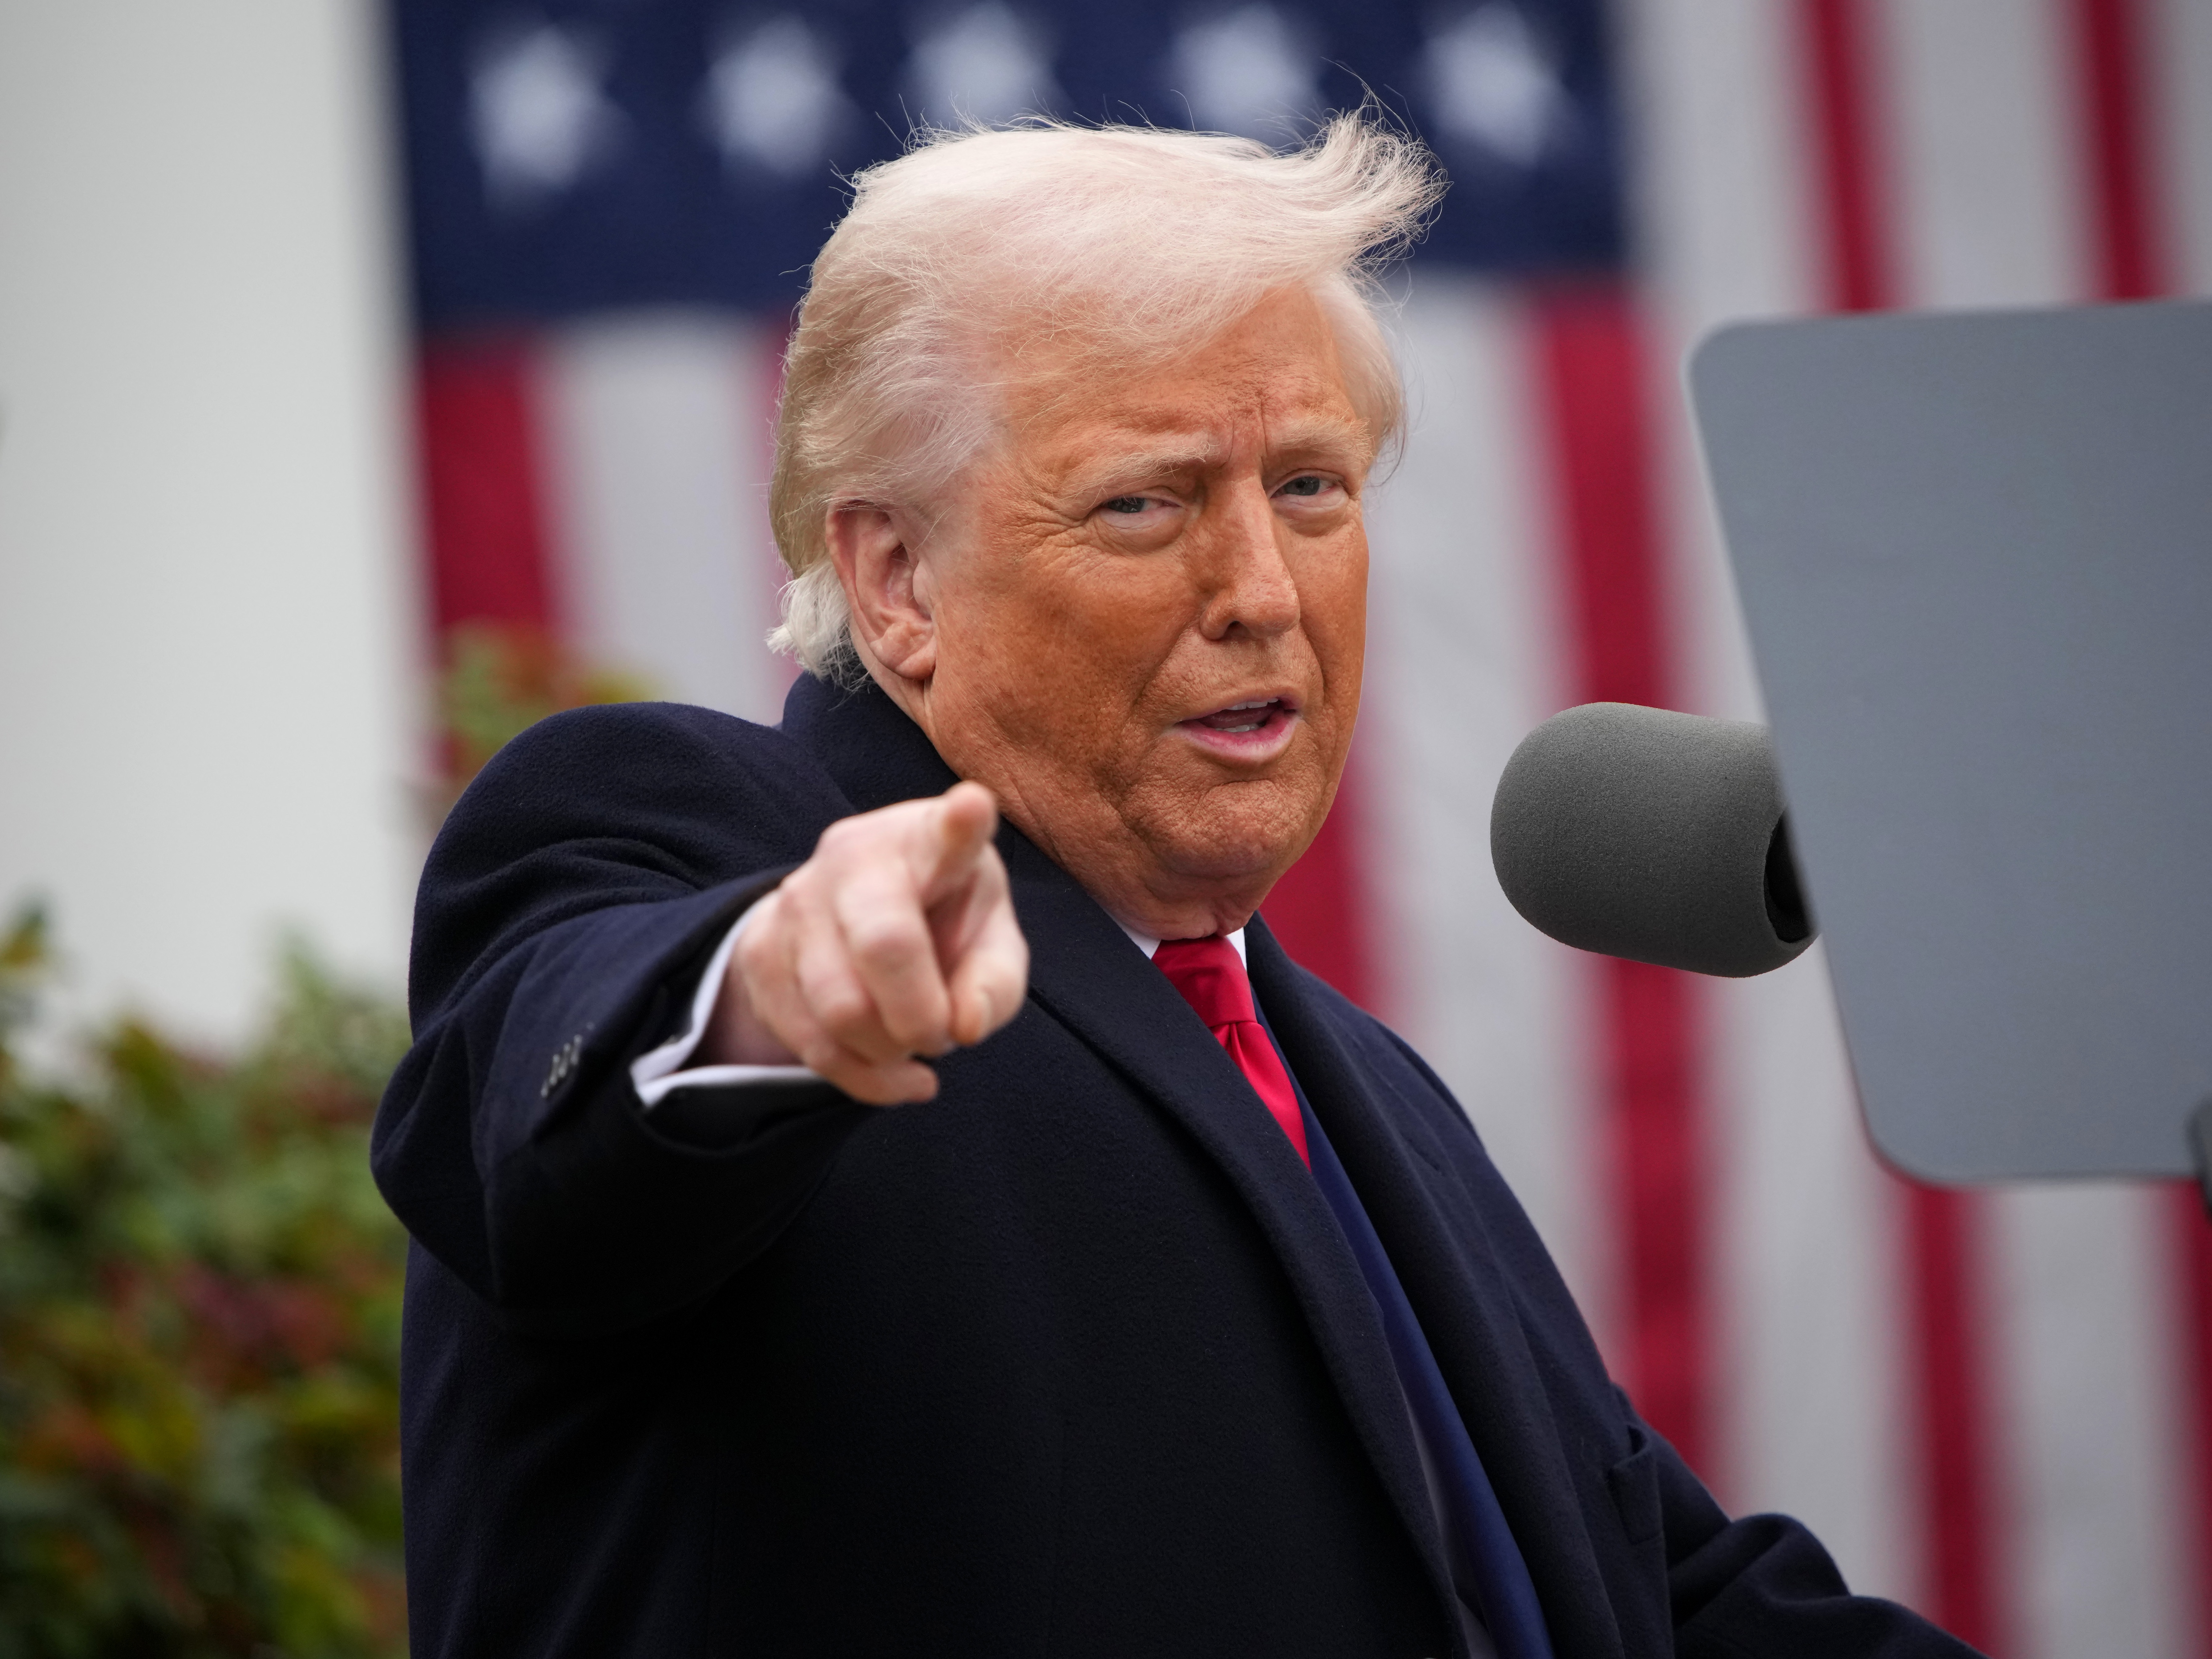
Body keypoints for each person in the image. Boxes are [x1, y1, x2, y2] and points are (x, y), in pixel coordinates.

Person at [373, 116, 1976, 1659]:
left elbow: (1650, 1600)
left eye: (1312, 487)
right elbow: (550, 1116)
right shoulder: (705, 847)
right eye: (1146, 501)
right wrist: (770, 1001)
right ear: (898, 579)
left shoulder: (1376, 1095)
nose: (1264, 592)